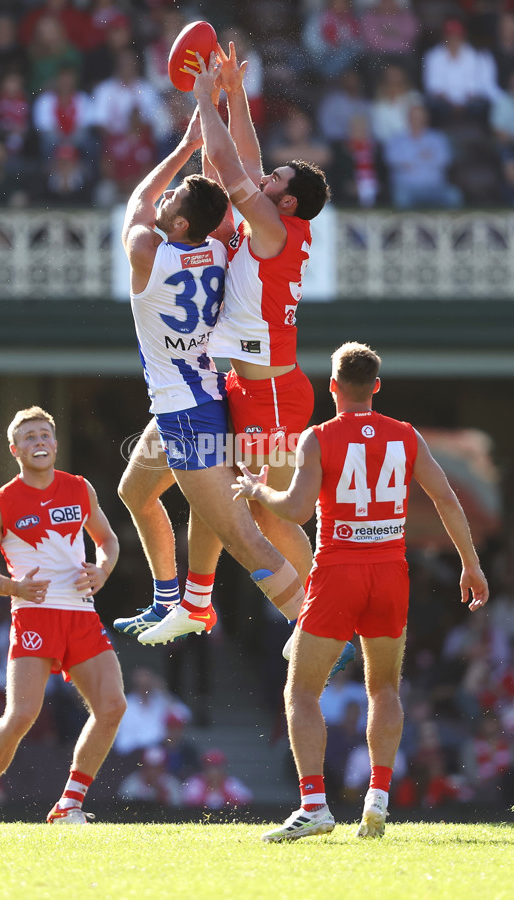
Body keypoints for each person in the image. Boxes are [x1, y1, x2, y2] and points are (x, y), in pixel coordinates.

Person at [118, 45, 343, 656]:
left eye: (274, 182)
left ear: (286, 203)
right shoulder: (255, 226)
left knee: (264, 516)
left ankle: (319, 607)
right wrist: (234, 93)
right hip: (239, 383)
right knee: (209, 499)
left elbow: (224, 160)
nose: (263, 177)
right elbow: (243, 157)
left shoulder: (268, 229)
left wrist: (201, 100)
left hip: (270, 392)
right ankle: (191, 600)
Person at [232, 341, 489, 841]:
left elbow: (297, 511)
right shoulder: (405, 436)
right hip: (390, 571)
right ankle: (377, 796)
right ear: (376, 386)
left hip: (338, 571)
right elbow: (446, 497)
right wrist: (470, 564)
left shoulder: (319, 437)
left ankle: (314, 806)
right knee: (385, 688)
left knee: (302, 690)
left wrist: (257, 490)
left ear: (332, 386)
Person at [0, 406, 125, 825]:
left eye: (45, 435)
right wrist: (13, 586)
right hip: (35, 614)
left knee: (113, 706)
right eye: (29, 437)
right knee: (22, 714)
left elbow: (108, 539)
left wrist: (103, 568)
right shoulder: (0, 503)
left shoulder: (79, 488)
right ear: (15, 449)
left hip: (80, 613)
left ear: (56, 444)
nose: (39, 441)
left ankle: (69, 805)